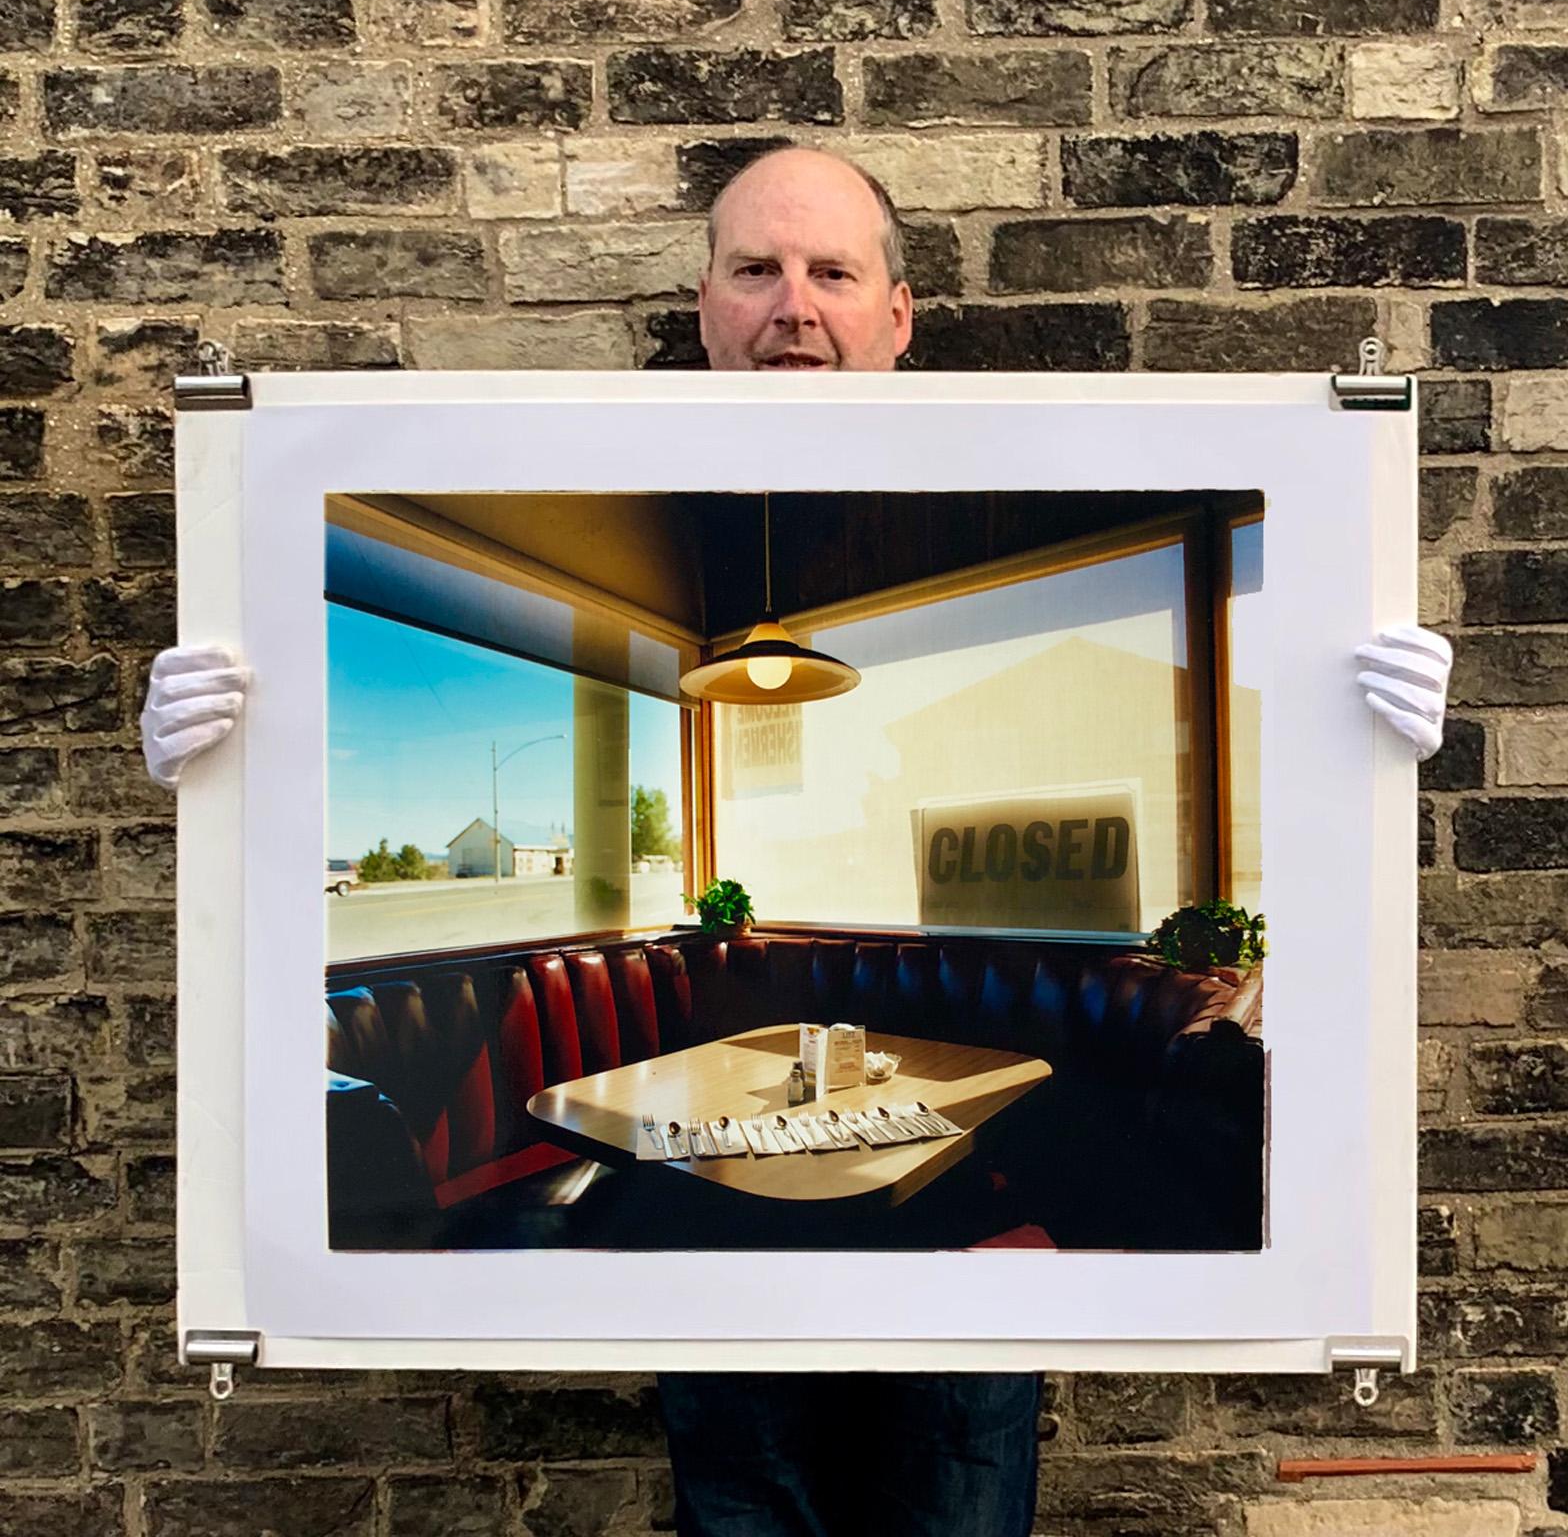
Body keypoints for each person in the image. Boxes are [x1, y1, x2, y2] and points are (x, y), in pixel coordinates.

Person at [142, 145, 1453, 1535]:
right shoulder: (589, 477)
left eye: (832, 272)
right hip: (704, 1252)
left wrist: (1356, 751)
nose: (793, 306)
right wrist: (231, 781)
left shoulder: (1037, 469)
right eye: (756, 270)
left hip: (961, 1270)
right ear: (703, 304)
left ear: (899, 314)